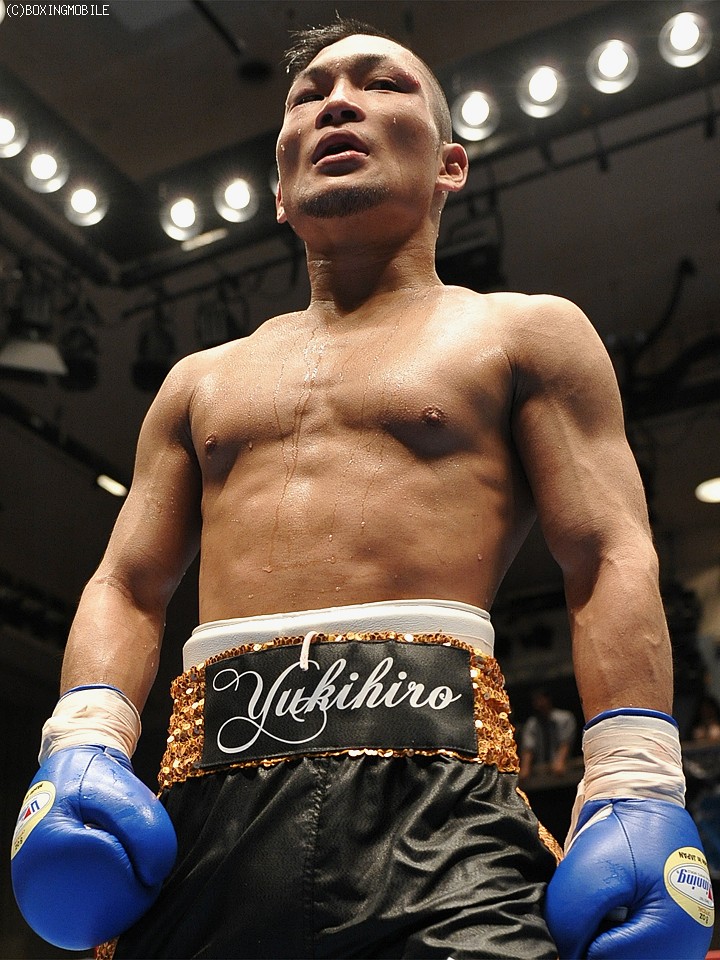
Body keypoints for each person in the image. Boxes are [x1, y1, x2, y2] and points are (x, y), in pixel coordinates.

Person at [11, 16, 714, 960]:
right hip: (207, 812)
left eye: (382, 84)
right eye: (308, 96)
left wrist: (637, 778)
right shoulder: (197, 381)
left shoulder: (524, 334)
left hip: (439, 811)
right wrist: (84, 738)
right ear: (277, 192)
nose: (337, 102)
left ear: (451, 166)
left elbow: (608, 554)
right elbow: (126, 585)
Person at [519, 689, 577, 782]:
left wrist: (560, 761)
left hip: (563, 767)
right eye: (536, 701)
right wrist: (525, 768)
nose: (539, 704)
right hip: (540, 769)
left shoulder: (564, 718)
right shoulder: (532, 724)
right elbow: (528, 748)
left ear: (548, 700)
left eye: (541, 699)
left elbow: (565, 742)